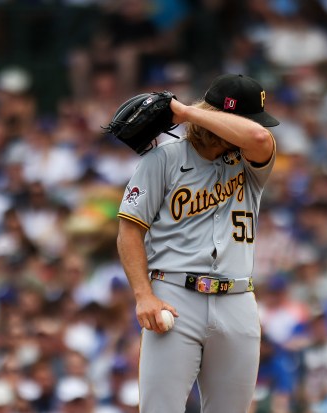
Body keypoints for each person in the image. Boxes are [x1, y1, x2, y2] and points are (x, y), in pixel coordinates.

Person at [116, 73, 279, 413]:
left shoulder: (250, 161)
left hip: (237, 300)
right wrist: (143, 295)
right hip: (174, 296)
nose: (255, 126)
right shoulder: (163, 159)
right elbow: (129, 231)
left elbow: (259, 136)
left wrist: (186, 112)